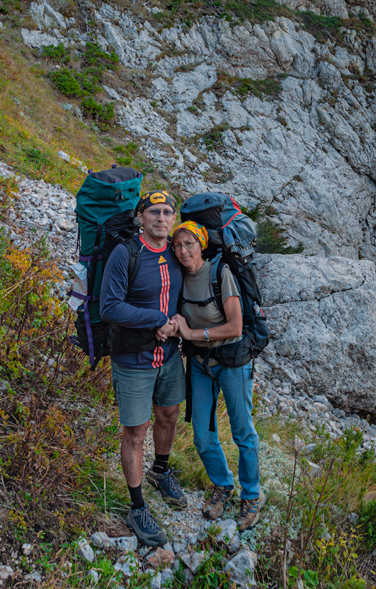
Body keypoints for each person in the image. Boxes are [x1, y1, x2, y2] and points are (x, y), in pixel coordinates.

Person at [99, 190, 188, 547]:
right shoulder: (126, 254)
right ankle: (137, 507)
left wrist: (178, 323)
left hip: (169, 355)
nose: (161, 218)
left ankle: (160, 471)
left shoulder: (177, 252)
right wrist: (156, 320)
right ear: (140, 217)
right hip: (133, 359)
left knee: (169, 415)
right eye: (153, 212)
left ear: (174, 218)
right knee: (136, 433)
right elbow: (109, 307)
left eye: (167, 212)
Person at [170, 221, 264, 530]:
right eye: (177, 245)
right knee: (202, 434)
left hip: (232, 361)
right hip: (200, 363)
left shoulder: (219, 273)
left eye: (189, 244)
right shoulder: (177, 276)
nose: (183, 251)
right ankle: (223, 485)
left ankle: (252, 495)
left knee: (242, 432)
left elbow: (235, 326)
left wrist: (192, 333)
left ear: (201, 245)